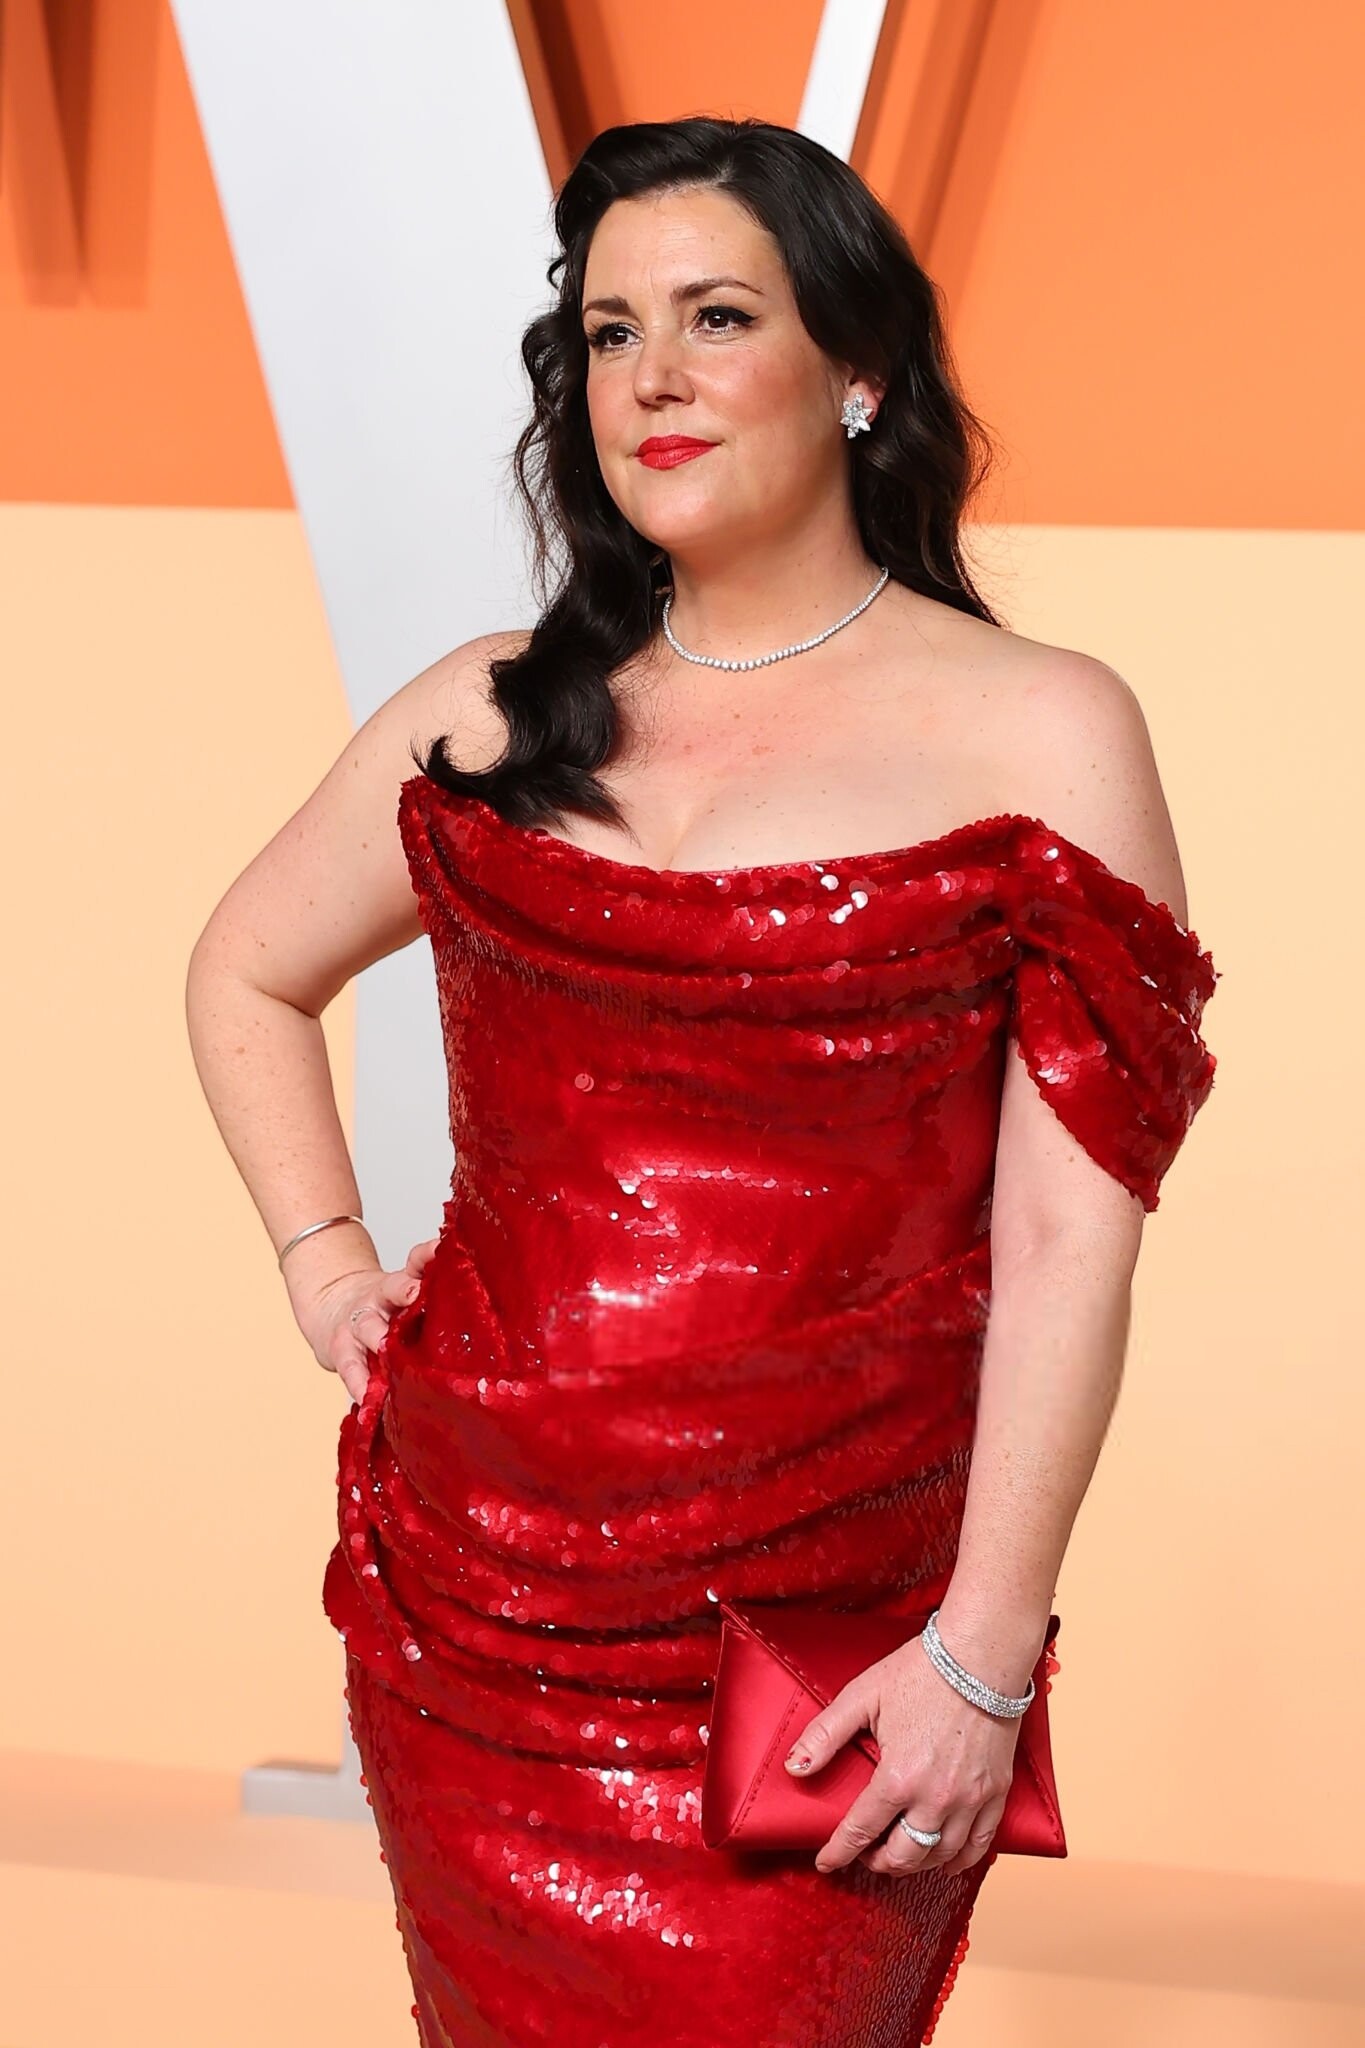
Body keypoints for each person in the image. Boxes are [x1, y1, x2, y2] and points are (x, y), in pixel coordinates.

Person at [185, 116, 1220, 2048]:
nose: (650, 376)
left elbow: (1068, 1243)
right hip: (476, 1622)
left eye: (716, 316)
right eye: (607, 332)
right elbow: (245, 967)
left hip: (826, 1646)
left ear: (858, 367)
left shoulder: (1044, 730)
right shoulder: (488, 710)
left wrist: (983, 1659)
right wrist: (329, 1266)